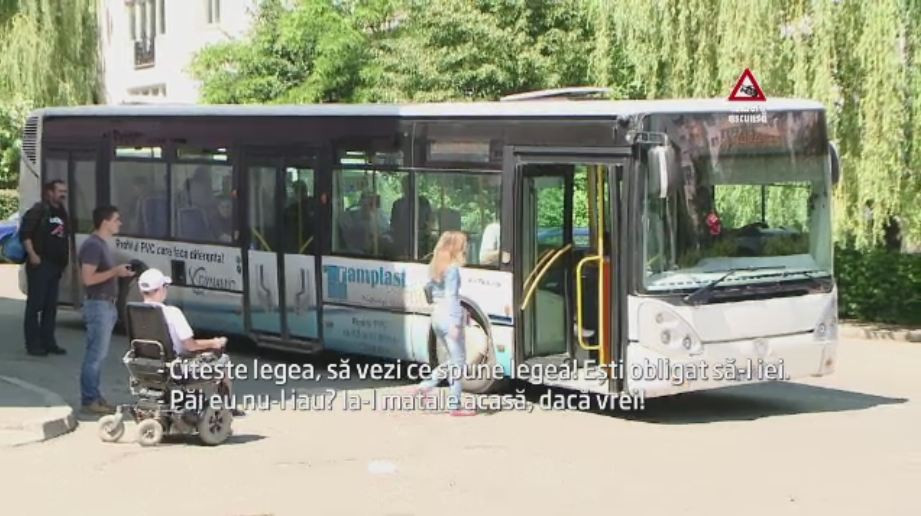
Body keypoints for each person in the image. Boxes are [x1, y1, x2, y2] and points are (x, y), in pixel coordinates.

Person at [137, 268, 244, 416]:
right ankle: (227, 407)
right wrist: (214, 342)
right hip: (175, 369)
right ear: (160, 290)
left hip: (145, 367)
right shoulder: (172, 313)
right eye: (165, 287)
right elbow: (190, 345)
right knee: (223, 361)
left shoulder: (135, 312)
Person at [78, 205, 135, 415]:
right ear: (105, 222)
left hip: (106, 304)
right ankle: (89, 399)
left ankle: (95, 397)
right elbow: (88, 279)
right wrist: (115, 271)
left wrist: (119, 273)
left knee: (99, 355)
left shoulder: (101, 244)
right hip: (98, 304)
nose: (119, 223)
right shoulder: (93, 245)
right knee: (95, 355)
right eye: (116, 219)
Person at [413, 231, 476, 417]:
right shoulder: (453, 269)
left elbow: (428, 290)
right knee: (458, 362)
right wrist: (457, 321)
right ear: (457, 247)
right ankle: (452, 404)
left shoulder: (436, 267)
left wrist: (461, 312)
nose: (466, 248)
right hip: (449, 317)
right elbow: (452, 297)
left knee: (453, 360)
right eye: (464, 245)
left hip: (437, 317)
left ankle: (429, 388)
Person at [21, 180, 70, 356]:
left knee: (51, 306)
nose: (63, 194)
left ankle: (48, 342)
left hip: (55, 266)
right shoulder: (39, 210)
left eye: (64, 191)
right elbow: (25, 234)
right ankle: (33, 344)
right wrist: (33, 255)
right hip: (40, 264)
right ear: (49, 192)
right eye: (60, 191)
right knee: (35, 305)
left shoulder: (62, 212)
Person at [389, 176, 432, 259]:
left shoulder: (423, 203)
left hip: (419, 244)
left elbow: (429, 223)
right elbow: (393, 226)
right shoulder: (398, 204)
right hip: (404, 245)